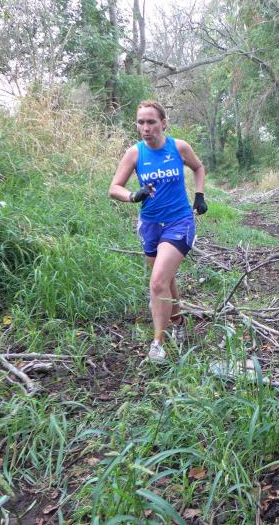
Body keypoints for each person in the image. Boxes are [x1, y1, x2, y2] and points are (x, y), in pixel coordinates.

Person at [109, 100, 208, 361]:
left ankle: (157, 345)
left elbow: (198, 167)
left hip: (179, 222)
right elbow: (114, 188)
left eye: (151, 122)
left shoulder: (179, 147)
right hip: (150, 224)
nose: (146, 128)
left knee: (157, 282)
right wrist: (133, 195)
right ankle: (178, 322)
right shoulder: (134, 153)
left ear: (163, 123)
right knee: (165, 279)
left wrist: (199, 195)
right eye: (141, 122)